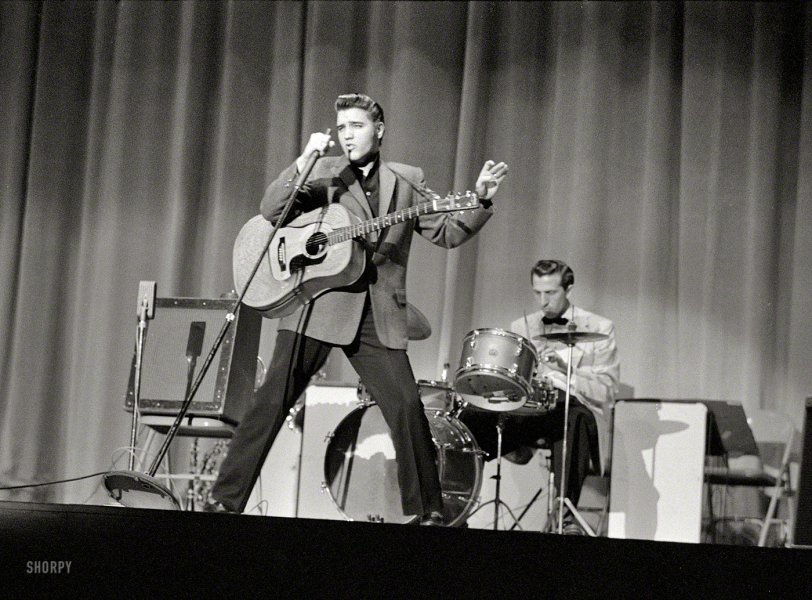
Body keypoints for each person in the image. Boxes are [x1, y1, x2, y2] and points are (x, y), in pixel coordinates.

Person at [207, 93, 509, 525]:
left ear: (378, 130)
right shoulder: (324, 173)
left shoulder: (405, 180)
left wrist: (479, 201)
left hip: (376, 310)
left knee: (406, 407)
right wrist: (305, 159)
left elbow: (446, 233)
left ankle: (429, 513)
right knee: (271, 400)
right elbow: (271, 210)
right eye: (342, 127)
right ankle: (224, 501)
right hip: (317, 301)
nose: (347, 134)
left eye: (357, 126)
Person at [459, 259, 619, 532]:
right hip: (529, 410)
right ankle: (457, 506)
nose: (543, 301)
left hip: (570, 409)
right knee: (469, 418)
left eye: (551, 293)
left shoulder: (600, 327)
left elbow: (607, 390)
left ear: (568, 288)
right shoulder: (523, 326)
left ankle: (564, 517)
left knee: (573, 416)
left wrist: (566, 371)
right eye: (537, 293)